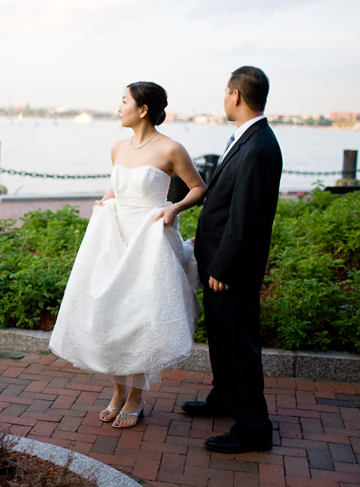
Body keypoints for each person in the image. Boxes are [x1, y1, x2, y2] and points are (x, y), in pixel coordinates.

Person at [49, 82, 206, 429]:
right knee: (111, 314)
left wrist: (175, 208)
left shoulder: (171, 148)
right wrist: (105, 199)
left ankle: (136, 398)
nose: (118, 108)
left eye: (123, 102)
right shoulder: (118, 148)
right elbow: (120, 186)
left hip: (148, 241)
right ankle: (118, 392)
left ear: (143, 109)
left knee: (137, 316)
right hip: (114, 236)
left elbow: (198, 188)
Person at [183, 66, 283, 453]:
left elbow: (248, 218)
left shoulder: (258, 146)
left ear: (236, 96)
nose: (223, 99)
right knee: (224, 339)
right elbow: (226, 206)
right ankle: (223, 398)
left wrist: (224, 265)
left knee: (238, 344)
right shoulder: (247, 138)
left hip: (232, 269)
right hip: (220, 259)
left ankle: (254, 427)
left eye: (225, 93)